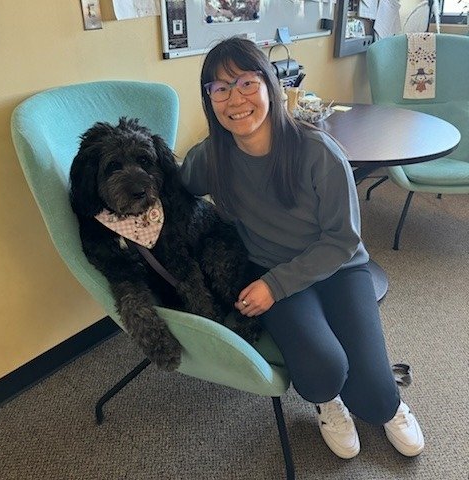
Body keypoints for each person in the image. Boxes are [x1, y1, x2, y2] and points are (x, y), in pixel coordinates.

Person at [180, 36, 424, 459]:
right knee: (323, 371)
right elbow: (174, 186)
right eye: (219, 88)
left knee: (374, 398)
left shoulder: (316, 150)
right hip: (271, 269)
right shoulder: (211, 158)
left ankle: (392, 403)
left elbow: (344, 240)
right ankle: (328, 404)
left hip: (339, 267)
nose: (234, 98)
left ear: (269, 85)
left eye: (245, 83)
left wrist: (274, 286)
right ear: (209, 100)